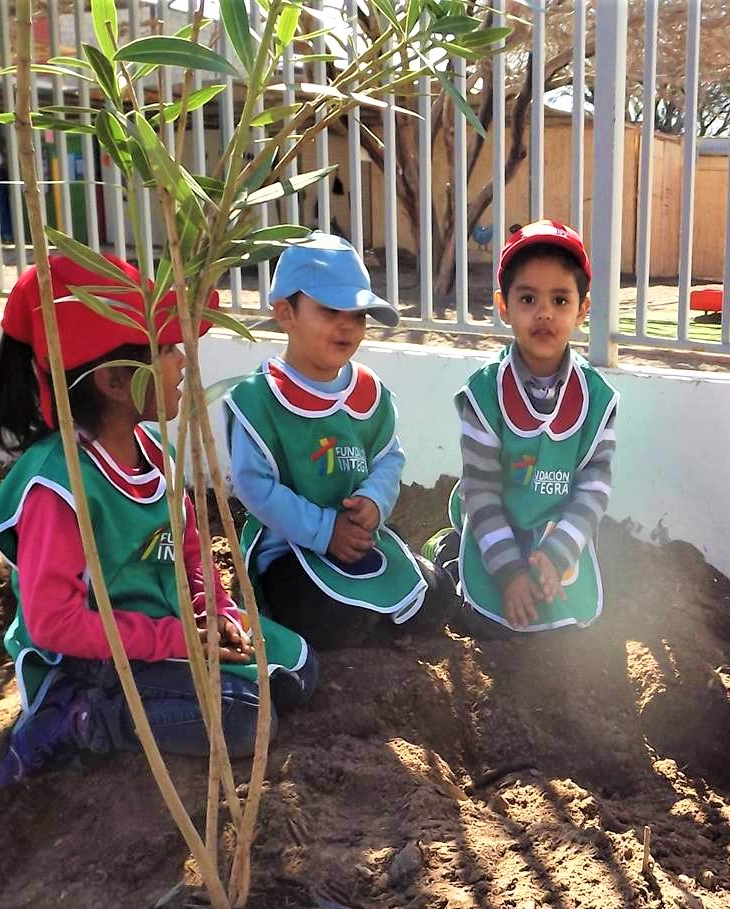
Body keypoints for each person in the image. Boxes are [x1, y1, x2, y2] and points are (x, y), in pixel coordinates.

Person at [0, 255, 316, 789]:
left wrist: (216, 612)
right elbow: (53, 624)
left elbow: (190, 553)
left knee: (299, 669)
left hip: (166, 628)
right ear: (115, 381)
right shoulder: (60, 487)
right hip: (93, 660)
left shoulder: (157, 452)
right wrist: (179, 640)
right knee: (245, 719)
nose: (183, 361)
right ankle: (78, 718)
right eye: (165, 349)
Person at [225, 233, 452, 653]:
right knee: (323, 616)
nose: (347, 324)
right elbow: (254, 486)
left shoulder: (369, 391)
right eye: (330, 310)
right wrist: (326, 531)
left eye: (358, 313)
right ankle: (373, 622)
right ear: (285, 312)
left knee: (439, 595)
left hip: (361, 541)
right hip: (290, 551)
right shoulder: (259, 399)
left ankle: (386, 609)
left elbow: (388, 458)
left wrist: (373, 501)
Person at [425, 220, 619, 632]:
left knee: (571, 632)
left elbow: (594, 488)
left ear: (583, 309)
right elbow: (480, 490)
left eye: (561, 299)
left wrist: (558, 554)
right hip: (496, 522)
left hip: (556, 530)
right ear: (503, 306)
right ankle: (450, 551)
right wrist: (510, 574)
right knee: (486, 624)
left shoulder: (597, 399)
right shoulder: (484, 393)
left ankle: (544, 559)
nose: (545, 312)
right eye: (528, 298)